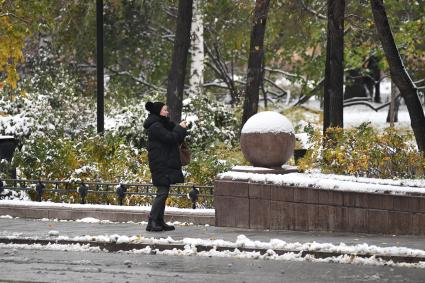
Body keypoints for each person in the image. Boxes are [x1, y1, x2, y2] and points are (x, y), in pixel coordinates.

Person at [143, 101, 187, 232]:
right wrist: (180, 128)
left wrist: (181, 127)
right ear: (158, 112)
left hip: (165, 163)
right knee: (162, 193)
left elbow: (175, 137)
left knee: (164, 192)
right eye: (165, 110)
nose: (167, 112)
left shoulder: (163, 124)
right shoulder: (156, 126)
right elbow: (171, 138)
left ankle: (159, 221)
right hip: (160, 164)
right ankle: (152, 221)